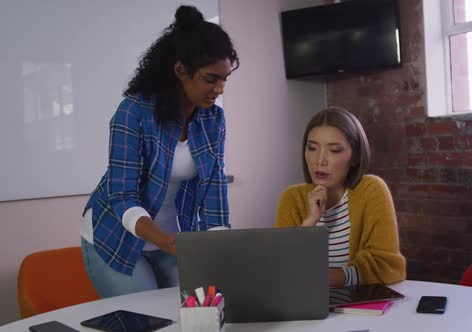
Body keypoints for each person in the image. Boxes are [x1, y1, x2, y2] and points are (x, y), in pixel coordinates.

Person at [80, 5, 239, 298]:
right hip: (116, 236)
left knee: (193, 311)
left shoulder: (213, 119)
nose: (219, 89)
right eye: (210, 78)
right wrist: (166, 241)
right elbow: (122, 195)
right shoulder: (134, 112)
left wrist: (218, 249)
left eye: (224, 79)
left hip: (171, 240)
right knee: (146, 318)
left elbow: (215, 191)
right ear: (180, 70)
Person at [275, 107, 406, 287]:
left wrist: (326, 278)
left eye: (334, 150)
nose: (319, 160)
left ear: (355, 157)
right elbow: (282, 269)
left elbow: (387, 266)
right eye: (312, 148)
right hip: (304, 306)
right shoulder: (291, 198)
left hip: (358, 307)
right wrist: (309, 223)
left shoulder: (371, 190)